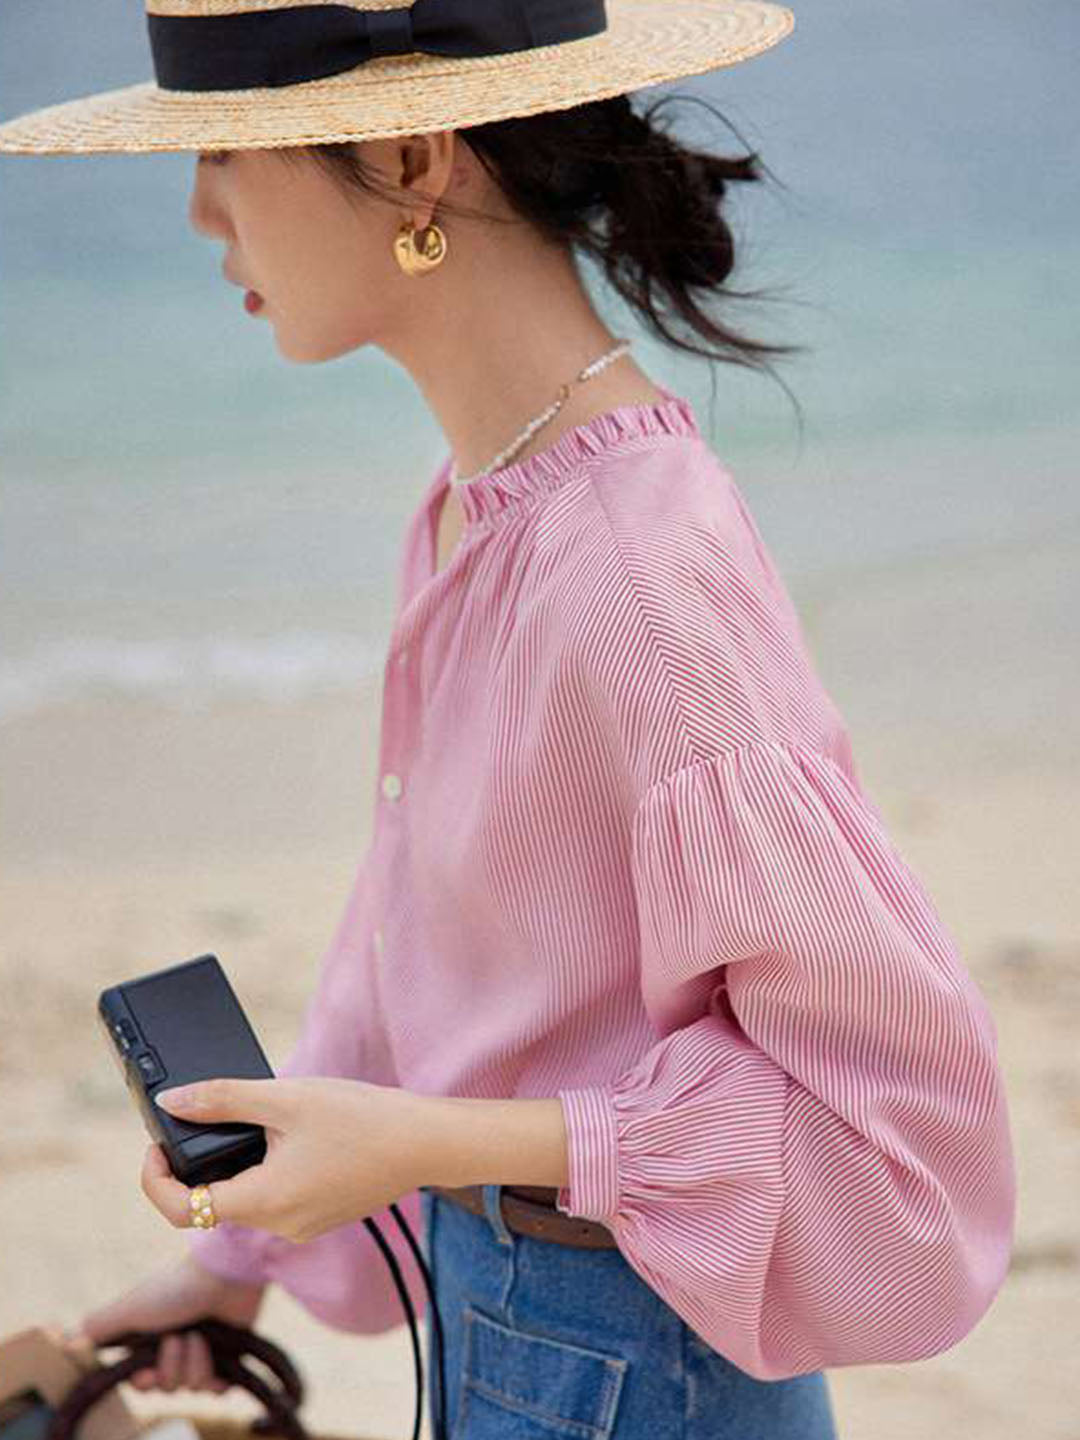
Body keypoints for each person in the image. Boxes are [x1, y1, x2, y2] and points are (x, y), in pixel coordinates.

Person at [0, 1, 1017, 1435]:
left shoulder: (636, 579)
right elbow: (430, 949)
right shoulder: (479, 504)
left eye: (226, 151)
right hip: (510, 1311)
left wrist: (414, 1143)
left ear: (416, 161)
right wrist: (237, 1262)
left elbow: (887, 1152)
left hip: (641, 1359)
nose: (198, 213)